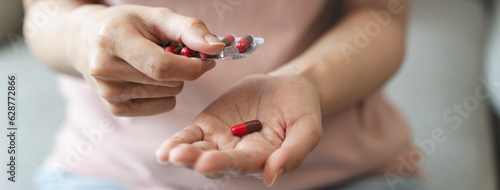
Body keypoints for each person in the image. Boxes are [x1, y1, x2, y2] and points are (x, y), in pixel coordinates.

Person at [24, 0, 424, 189]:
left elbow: (379, 16)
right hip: (116, 171)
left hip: (342, 172)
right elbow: (47, 15)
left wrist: (306, 82)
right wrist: (88, 36)